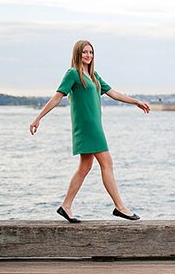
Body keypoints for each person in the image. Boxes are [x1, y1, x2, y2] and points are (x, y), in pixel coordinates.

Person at [30, 40, 150, 223]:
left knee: (85, 166)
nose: (88, 55)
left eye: (91, 52)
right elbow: (57, 98)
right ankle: (120, 207)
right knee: (107, 163)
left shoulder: (94, 76)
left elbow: (114, 93)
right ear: (77, 54)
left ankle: (66, 206)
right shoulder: (73, 74)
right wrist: (38, 118)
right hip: (87, 127)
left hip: (94, 125)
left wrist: (136, 101)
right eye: (85, 52)